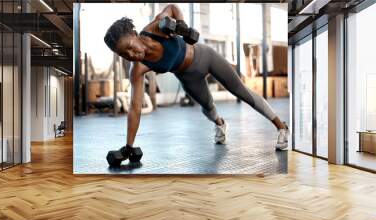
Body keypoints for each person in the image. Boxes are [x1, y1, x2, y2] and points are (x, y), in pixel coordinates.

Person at [104, 4, 289, 152]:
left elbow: (172, 7)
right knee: (207, 107)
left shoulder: (156, 27)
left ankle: (281, 127)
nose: (131, 54)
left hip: (205, 56)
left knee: (241, 91)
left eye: (130, 46)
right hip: (188, 77)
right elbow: (135, 109)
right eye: (124, 54)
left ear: (135, 35)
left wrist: (181, 23)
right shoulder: (137, 69)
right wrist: (129, 147)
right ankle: (221, 125)